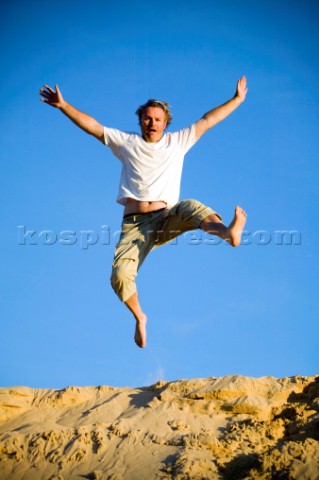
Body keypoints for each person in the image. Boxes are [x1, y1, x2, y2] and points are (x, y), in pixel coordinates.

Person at [40, 77, 248, 349]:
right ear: (140, 121)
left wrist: (236, 100)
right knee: (119, 276)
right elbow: (93, 127)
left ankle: (228, 233)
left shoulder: (178, 141)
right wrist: (64, 105)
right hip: (135, 226)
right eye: (147, 118)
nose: (152, 123)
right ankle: (140, 317)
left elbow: (208, 120)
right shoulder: (125, 143)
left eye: (158, 119)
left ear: (166, 123)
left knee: (190, 206)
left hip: (166, 217)